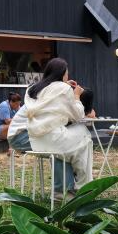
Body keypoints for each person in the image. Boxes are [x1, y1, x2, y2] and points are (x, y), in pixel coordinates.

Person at [24, 58, 93, 194]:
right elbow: (78, 115)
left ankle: (79, 184)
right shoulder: (64, 89)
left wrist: (64, 85)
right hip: (54, 141)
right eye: (66, 73)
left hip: (36, 143)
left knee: (81, 143)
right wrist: (76, 96)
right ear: (62, 74)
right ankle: (84, 185)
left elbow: (50, 94)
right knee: (84, 134)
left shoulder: (32, 89)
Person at [7, 104, 76, 193]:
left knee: (67, 143)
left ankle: (71, 187)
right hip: (20, 135)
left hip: (30, 132)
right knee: (60, 146)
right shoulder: (48, 99)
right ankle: (62, 191)